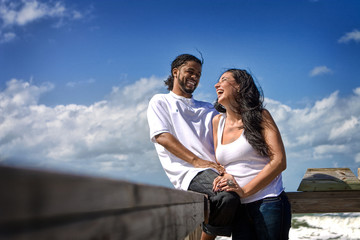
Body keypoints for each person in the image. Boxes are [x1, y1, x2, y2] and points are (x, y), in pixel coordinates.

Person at [147, 54, 240, 240]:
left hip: (216, 169)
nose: (195, 77)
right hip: (190, 172)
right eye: (190, 71)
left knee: (246, 197)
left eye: (198, 74)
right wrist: (197, 161)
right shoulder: (160, 101)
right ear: (175, 72)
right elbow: (163, 137)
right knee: (226, 197)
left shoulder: (208, 108)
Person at [212, 69, 292, 240]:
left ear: (240, 87)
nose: (216, 84)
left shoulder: (260, 116)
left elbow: (279, 161)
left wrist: (245, 191)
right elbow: (224, 164)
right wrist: (223, 177)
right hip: (238, 207)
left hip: (268, 202)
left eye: (224, 80)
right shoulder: (217, 122)